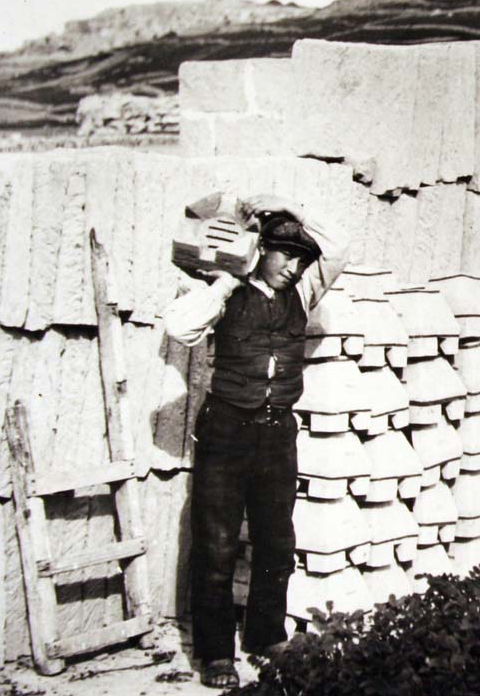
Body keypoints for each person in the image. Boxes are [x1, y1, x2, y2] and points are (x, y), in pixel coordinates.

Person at [161, 194, 349, 690]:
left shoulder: (304, 293)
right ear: (260, 250)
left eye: (301, 257)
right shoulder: (225, 291)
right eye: (284, 253)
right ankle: (216, 654)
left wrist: (295, 209)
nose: (293, 266)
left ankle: (266, 637)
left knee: (275, 539)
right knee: (217, 543)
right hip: (225, 429)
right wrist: (229, 273)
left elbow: (340, 246)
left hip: (276, 432)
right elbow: (179, 329)